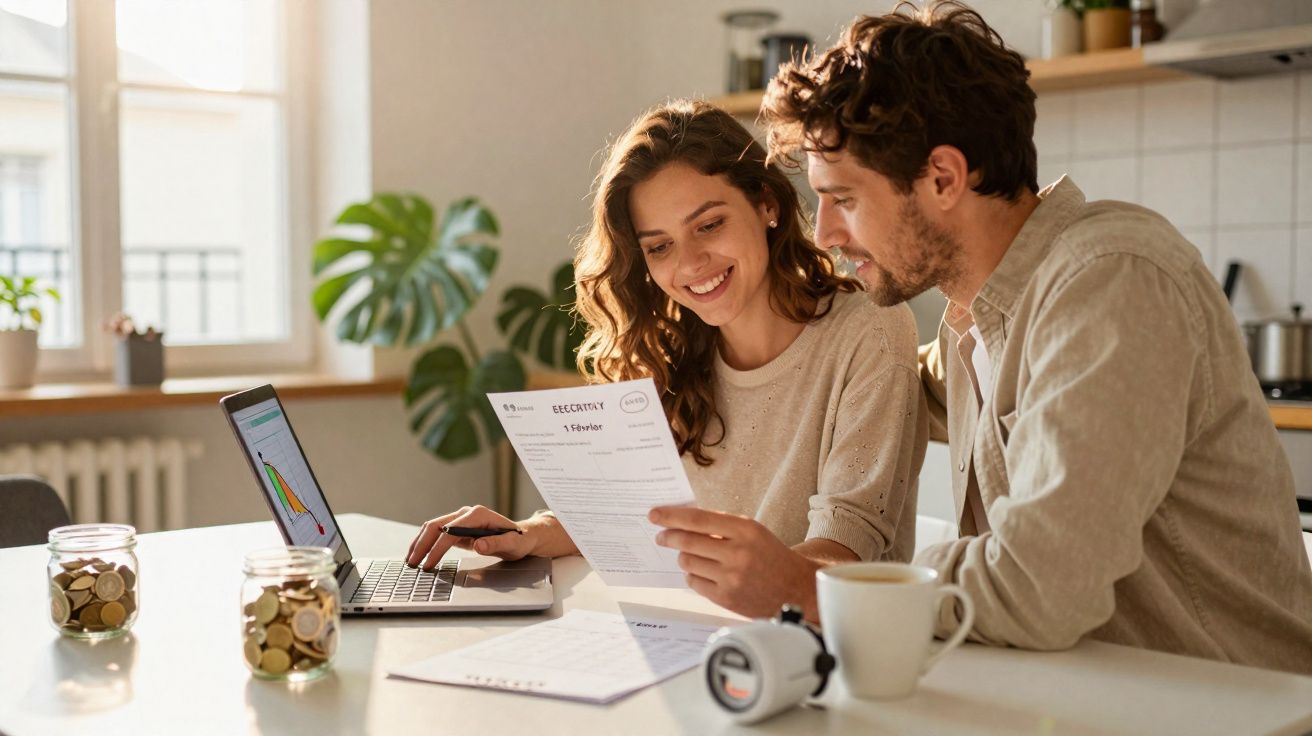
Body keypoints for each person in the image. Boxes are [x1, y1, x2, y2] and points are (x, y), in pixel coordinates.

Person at [680, 0, 1312, 673]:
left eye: (846, 199)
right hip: (1089, 697)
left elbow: (1040, 587)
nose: (828, 233)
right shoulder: (972, 323)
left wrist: (812, 589)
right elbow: (851, 383)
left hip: (1235, 705)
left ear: (944, 178)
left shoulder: (1108, 280)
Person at [407, 100, 928, 619]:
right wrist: (526, 535)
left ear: (767, 203)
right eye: (659, 247)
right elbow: (638, 514)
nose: (689, 264)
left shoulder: (868, 332)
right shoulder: (672, 346)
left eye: (709, 225)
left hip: (813, 651)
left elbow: (847, 554)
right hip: (685, 634)